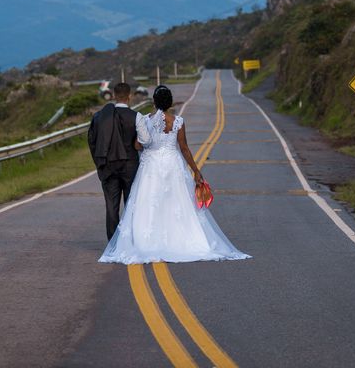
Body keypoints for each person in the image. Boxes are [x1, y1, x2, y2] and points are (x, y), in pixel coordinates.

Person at [98, 85, 251, 264]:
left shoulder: (145, 120)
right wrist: (196, 170)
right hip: (173, 165)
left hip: (151, 167)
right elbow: (184, 148)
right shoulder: (178, 121)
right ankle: (181, 240)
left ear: (154, 102)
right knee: (175, 202)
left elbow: (139, 145)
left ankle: (145, 242)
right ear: (169, 102)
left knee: (149, 202)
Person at [88, 82, 150, 241]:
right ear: (129, 96)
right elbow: (145, 141)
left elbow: (92, 140)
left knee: (111, 206)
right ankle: (131, 241)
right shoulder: (136, 116)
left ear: (114, 96)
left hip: (108, 166)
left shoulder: (100, 116)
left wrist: (99, 161)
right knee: (131, 205)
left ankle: (113, 244)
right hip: (130, 166)